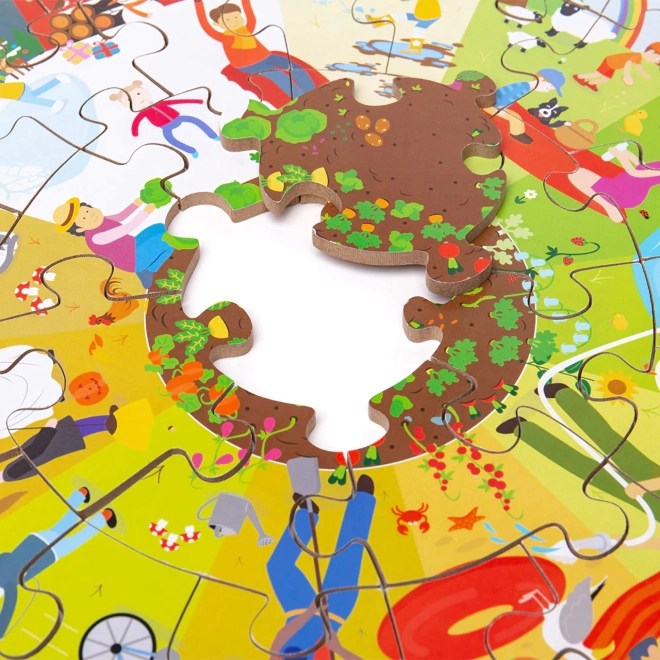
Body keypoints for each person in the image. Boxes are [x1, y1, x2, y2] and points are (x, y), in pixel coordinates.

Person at [267, 474, 375, 659]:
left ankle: (307, 515)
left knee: (278, 565)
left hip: (298, 608)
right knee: (348, 558)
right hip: (332, 614)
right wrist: (338, 648)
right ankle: (363, 499)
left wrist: (309, 612)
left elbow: (281, 638)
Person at [0, 488, 116, 639]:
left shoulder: (9, 584)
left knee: (79, 538)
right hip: (33, 540)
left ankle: (105, 516)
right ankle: (80, 494)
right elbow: (5, 555)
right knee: (63, 524)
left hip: (50, 552)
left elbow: (9, 606)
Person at [193, 0, 325, 106]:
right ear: (217, 24)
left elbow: (250, 15)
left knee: (294, 66)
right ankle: (301, 98)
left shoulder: (247, 28)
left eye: (236, 17)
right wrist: (198, 3)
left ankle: (313, 90)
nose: (234, 21)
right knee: (279, 75)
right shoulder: (223, 37)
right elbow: (205, 26)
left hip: (267, 56)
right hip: (249, 66)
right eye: (227, 20)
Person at [53, 196, 182, 288]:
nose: (90, 214)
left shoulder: (103, 220)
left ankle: (146, 269)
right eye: (84, 217)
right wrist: (146, 211)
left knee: (159, 228)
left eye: (87, 210)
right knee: (167, 239)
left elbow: (121, 216)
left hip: (133, 245)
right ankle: (150, 269)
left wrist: (138, 202)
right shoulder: (95, 238)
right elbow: (128, 227)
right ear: (80, 229)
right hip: (132, 260)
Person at [109, 81, 220, 158]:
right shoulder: (143, 113)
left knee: (195, 120)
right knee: (171, 140)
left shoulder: (161, 103)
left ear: (145, 92)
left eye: (138, 93)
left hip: (178, 118)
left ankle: (213, 135)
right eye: (129, 99)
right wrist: (135, 133)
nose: (137, 98)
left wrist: (197, 101)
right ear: (125, 104)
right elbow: (136, 122)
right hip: (165, 127)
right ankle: (191, 151)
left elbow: (177, 102)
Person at [0, 412, 116, 484]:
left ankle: (110, 421)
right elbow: (35, 453)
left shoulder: (9, 474)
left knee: (81, 427)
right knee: (80, 428)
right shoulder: (9, 473)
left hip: (54, 443)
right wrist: (48, 431)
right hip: (53, 442)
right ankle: (111, 422)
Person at [568, 142, 660, 222]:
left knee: (576, 175)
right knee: (578, 175)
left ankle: (607, 205)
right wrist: (625, 152)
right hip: (621, 185)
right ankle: (609, 205)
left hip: (628, 193)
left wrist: (619, 155)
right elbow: (642, 165)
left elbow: (635, 173)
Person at [482, 68, 566, 144]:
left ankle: (519, 133)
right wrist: (500, 108)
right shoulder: (523, 87)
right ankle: (516, 134)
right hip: (491, 105)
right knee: (514, 118)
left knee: (516, 116)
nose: (547, 91)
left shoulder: (526, 87)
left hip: (496, 104)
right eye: (548, 87)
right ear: (540, 79)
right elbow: (506, 96)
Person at [574, 42, 660, 92]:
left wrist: (644, 74)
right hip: (610, 62)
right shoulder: (637, 55)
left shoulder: (639, 57)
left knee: (606, 78)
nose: (656, 62)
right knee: (597, 74)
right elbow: (627, 65)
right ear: (651, 52)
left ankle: (591, 83)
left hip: (614, 65)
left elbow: (638, 67)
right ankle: (579, 77)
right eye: (657, 59)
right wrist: (627, 75)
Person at [367, 0, 442, 54]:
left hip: (430, 16)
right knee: (399, 15)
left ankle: (415, 49)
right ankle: (377, 22)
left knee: (419, 29)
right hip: (421, 14)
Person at [0, 75, 68, 113]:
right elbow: (2, 78)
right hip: (18, 89)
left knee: (32, 99)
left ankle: (54, 103)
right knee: (36, 93)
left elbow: (2, 78)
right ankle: (58, 80)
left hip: (18, 92)